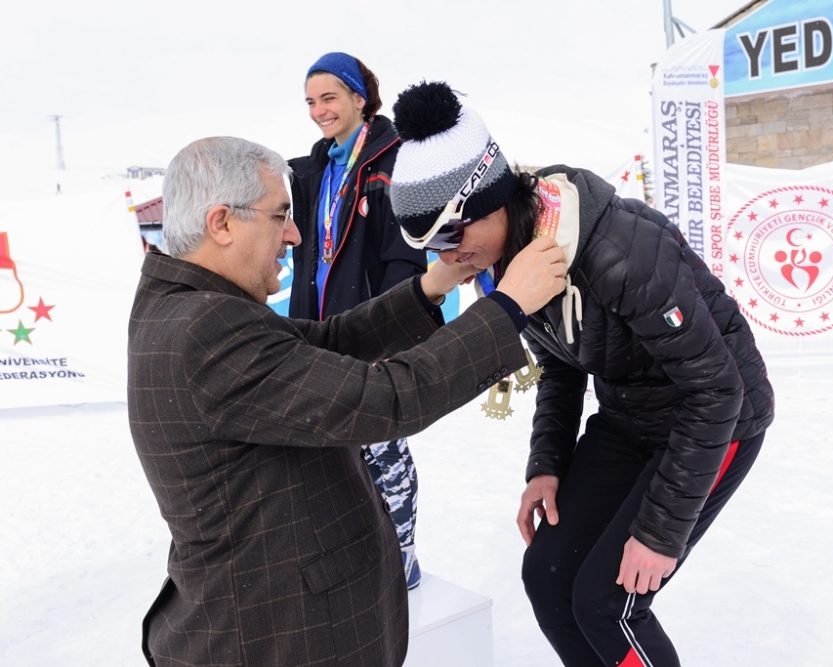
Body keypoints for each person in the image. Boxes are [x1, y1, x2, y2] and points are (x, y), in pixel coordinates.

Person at [128, 135, 568, 667]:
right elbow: (387, 398)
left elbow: (325, 343)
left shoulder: (192, 308)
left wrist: (431, 285)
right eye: (281, 215)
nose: (293, 236)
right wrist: (508, 306)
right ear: (222, 223)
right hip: (280, 641)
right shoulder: (205, 328)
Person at [389, 82, 775, 667]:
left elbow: (717, 389)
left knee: (607, 601)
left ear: (490, 200)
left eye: (449, 234)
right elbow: (559, 367)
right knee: (546, 575)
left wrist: (659, 532)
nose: (446, 257)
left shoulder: (620, 252)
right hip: (629, 417)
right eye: (426, 244)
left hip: (718, 419)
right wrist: (547, 465)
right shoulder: (508, 264)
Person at [287, 52, 426, 588]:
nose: (320, 111)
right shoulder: (311, 169)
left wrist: (390, 330)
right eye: (310, 102)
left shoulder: (392, 161)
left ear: (358, 97)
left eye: (329, 98)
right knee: (332, 451)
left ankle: (403, 550)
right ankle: (357, 551)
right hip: (316, 331)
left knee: (382, 445)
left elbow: (404, 257)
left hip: (368, 329)